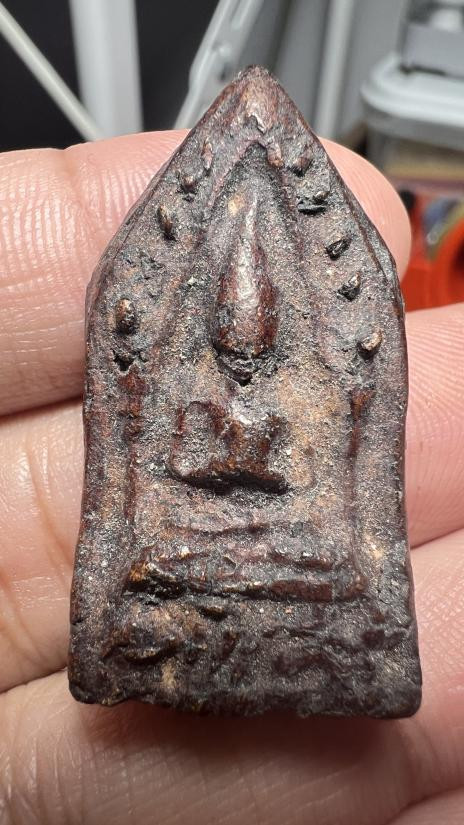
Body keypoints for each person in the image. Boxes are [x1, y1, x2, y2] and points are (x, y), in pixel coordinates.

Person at [0, 130, 463, 825]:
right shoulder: (198, 402)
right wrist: (222, 465)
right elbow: (178, 470)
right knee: (155, 559)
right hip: (198, 540)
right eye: (233, 342)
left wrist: (263, 472)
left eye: (256, 343)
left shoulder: (279, 404)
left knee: (335, 563)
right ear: (218, 330)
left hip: (283, 546)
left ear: (271, 335)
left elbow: (302, 484)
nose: (244, 361)